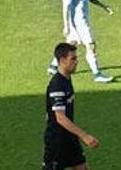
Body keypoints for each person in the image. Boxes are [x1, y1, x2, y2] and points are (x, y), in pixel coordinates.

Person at [48, 0, 114, 83]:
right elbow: (65, 3)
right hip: (78, 22)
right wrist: (66, 25)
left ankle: (53, 66)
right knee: (91, 45)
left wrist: (103, 6)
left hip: (81, 20)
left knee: (70, 44)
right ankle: (97, 74)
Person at [43, 42, 101, 170]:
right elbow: (60, 118)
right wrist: (84, 136)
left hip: (69, 136)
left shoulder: (66, 79)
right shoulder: (57, 85)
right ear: (62, 60)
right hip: (57, 141)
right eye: (73, 58)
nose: (76, 62)